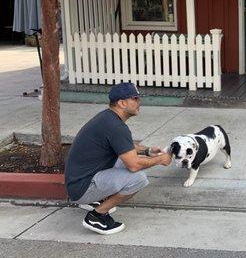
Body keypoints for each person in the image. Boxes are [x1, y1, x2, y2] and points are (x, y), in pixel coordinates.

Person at [65, 82, 172, 235]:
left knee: (125, 160)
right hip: (81, 188)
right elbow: (134, 165)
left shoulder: (108, 118)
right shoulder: (116, 127)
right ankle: (97, 216)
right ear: (122, 103)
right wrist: (160, 159)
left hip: (78, 180)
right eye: (135, 99)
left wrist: (147, 151)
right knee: (138, 178)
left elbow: (125, 146)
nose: (139, 103)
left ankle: (96, 199)